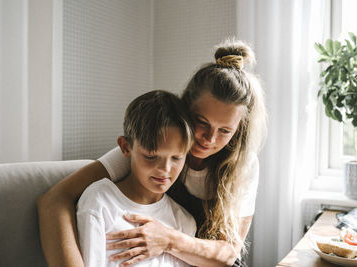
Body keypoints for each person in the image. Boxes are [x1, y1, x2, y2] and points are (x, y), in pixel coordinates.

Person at [37, 39, 267, 267]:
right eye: (201, 122)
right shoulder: (150, 150)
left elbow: (228, 254)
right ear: (185, 110)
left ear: (238, 131)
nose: (209, 139)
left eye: (225, 130)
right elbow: (53, 201)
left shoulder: (243, 164)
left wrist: (168, 239)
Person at [76, 90, 196, 267]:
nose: (165, 169)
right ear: (125, 147)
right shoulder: (100, 202)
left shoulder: (184, 221)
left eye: (176, 158)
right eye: (151, 156)